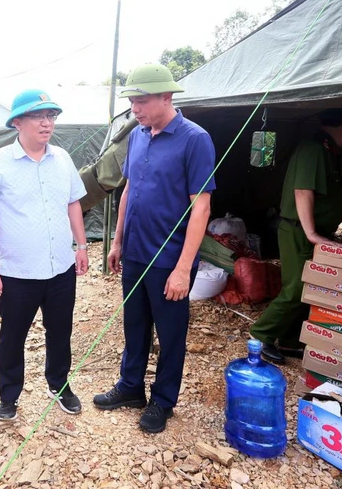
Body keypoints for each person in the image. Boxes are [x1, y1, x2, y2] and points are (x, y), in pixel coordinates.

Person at [93, 64, 216, 434]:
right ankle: (131, 387)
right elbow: (128, 190)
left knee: (170, 332)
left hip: (169, 259)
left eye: (142, 100)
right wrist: (117, 241)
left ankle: (163, 400)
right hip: (134, 252)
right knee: (134, 325)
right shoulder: (139, 136)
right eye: (132, 100)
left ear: (167, 97)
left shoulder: (195, 139)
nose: (135, 108)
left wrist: (183, 268)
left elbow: (202, 206)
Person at [0, 89, 88, 422]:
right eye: (38, 117)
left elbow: (73, 203)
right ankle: (9, 395)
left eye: (51, 116)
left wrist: (81, 245)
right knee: (13, 336)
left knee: (60, 331)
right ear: (17, 122)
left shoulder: (62, 158)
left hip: (60, 268)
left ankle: (59, 384)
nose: (47, 123)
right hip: (18, 273)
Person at [250, 109, 342, 364]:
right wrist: (311, 233)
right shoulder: (313, 149)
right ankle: (260, 335)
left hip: (311, 232)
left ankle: (290, 341)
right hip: (299, 231)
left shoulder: (329, 150)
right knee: (296, 288)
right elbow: (303, 191)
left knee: (309, 288)